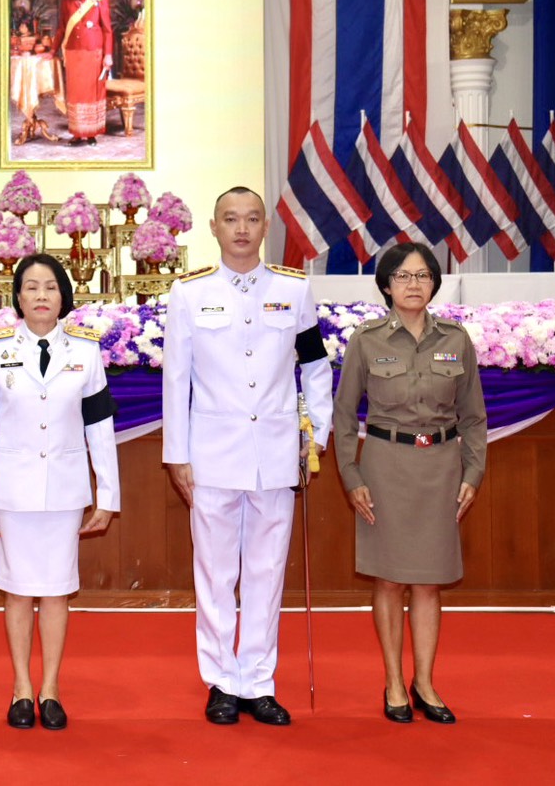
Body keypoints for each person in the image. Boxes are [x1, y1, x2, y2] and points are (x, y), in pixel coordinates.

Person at [162, 187, 333, 726]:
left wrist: (316, 436)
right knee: (215, 574)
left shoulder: (293, 288)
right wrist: (177, 454)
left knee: (266, 572)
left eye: (252, 219)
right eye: (231, 219)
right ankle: (220, 682)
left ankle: (258, 681)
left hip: (276, 453)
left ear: (265, 227)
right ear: (213, 227)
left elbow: (315, 367)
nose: (241, 229)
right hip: (211, 454)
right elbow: (176, 380)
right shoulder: (189, 293)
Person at [0, 253, 119, 730]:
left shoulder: (86, 352)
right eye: (30, 287)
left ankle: (50, 689)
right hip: (12, 491)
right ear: (18, 297)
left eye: (50, 287)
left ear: (63, 295)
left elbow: (100, 427)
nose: (41, 296)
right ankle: (21, 689)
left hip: (66, 491)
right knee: (15, 590)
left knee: (56, 591)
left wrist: (108, 495)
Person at [333, 242, 485, 725]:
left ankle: (425, 682)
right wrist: (351, 475)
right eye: (402, 276)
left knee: (429, 582)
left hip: (440, 469)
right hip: (385, 467)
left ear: (434, 284)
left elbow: (474, 417)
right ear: (386, 285)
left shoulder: (456, 339)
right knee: (389, 578)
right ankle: (394, 683)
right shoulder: (367, 340)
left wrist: (473, 472)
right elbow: (343, 416)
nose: (413, 284)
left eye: (422, 276)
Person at [55, 0, 112, 146]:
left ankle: (92, 133)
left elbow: (107, 31)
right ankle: (78, 134)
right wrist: (52, 50)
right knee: (76, 95)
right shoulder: (67, 2)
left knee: (92, 94)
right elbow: (62, 28)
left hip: (93, 54)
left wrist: (108, 55)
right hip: (73, 54)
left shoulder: (100, 1)